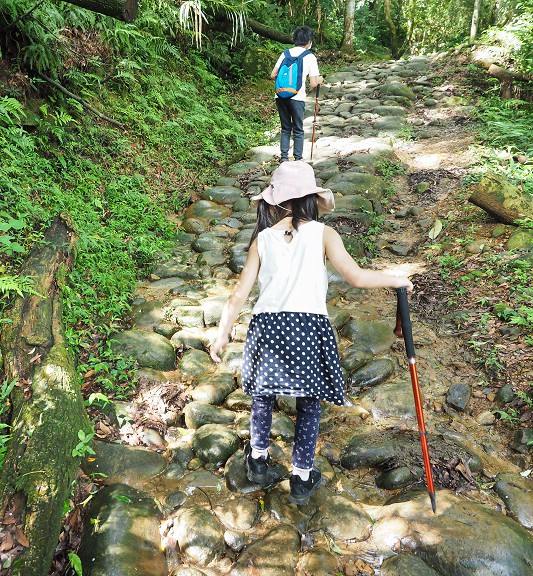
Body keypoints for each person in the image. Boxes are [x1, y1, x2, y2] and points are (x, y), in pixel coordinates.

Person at [209, 161, 413, 505]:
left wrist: (222, 334)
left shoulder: (263, 239)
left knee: (263, 395)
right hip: (309, 325)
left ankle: (258, 459)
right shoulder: (324, 234)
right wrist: (396, 279)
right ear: (311, 200)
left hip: (268, 325)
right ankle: (301, 477)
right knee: (309, 402)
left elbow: (238, 295)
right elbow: (357, 277)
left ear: (276, 201)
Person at [270, 26, 322, 163]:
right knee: (298, 129)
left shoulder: (285, 53)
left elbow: (273, 74)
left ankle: (284, 158)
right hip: (297, 97)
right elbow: (313, 84)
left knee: (285, 128)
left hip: (280, 95)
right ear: (309, 41)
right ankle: (298, 159)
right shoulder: (310, 57)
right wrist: (320, 80)